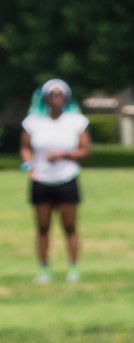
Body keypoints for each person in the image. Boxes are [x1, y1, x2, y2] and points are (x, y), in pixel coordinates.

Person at [23, 79, 90, 284]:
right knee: (42, 226)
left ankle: (73, 267)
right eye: (52, 94)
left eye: (59, 94)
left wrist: (63, 155)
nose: (56, 98)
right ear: (45, 97)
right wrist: (30, 166)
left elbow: (85, 150)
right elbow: (26, 148)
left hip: (66, 178)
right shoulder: (34, 121)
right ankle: (44, 269)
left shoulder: (76, 121)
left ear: (66, 97)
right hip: (42, 179)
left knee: (69, 225)